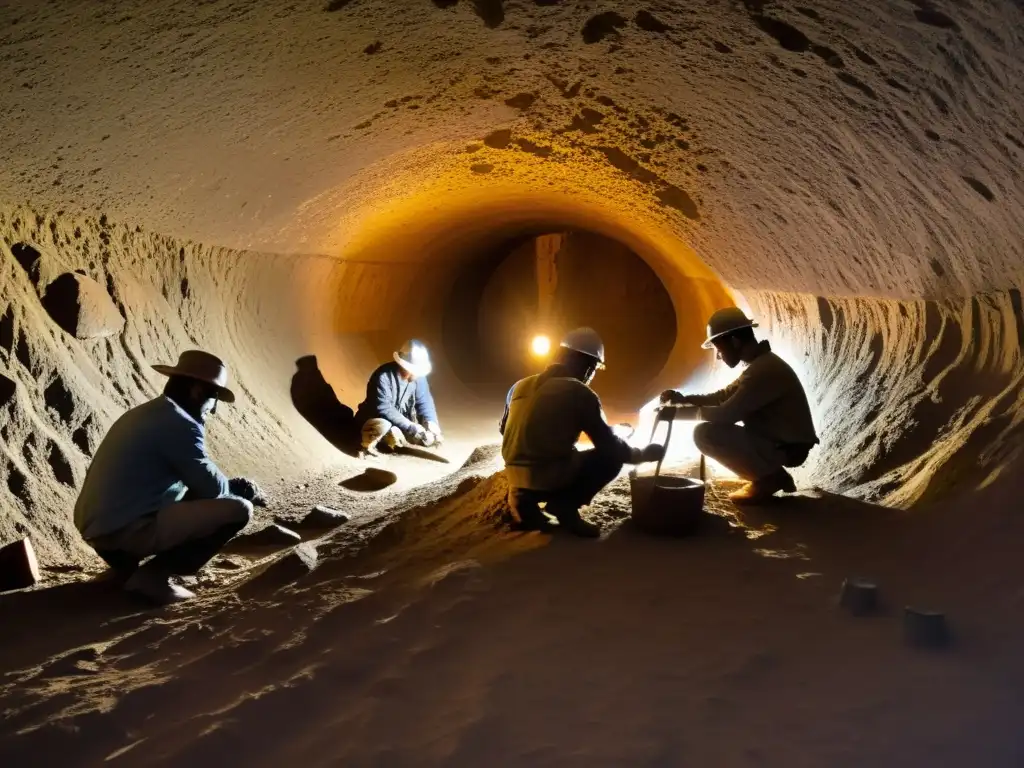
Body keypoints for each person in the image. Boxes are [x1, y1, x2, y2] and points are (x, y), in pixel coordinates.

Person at [74, 350, 257, 605]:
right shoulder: (179, 422)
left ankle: (123, 569)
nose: (213, 409)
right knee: (240, 509)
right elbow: (210, 488)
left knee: (186, 494)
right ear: (196, 390)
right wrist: (235, 488)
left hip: (98, 530)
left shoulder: (147, 413)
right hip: (123, 532)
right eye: (213, 397)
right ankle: (153, 578)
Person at [499, 327, 665, 538]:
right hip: (550, 478)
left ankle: (521, 500)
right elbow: (608, 445)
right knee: (610, 460)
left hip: (514, 478)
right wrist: (642, 455)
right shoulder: (580, 392)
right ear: (587, 366)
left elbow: (506, 430)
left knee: (544, 458)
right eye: (594, 369)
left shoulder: (518, 386)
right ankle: (565, 506)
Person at [661, 308, 818, 504]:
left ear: (734, 341)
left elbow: (727, 414)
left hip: (785, 448)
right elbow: (721, 397)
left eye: (719, 349)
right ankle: (770, 473)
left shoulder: (764, 370)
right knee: (707, 429)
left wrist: (676, 414)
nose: (718, 356)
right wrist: (682, 400)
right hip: (775, 441)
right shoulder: (759, 365)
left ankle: (769, 478)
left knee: (705, 434)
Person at [355, 340, 442, 457]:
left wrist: (432, 425)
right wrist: (412, 427)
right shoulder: (383, 376)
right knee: (384, 426)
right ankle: (365, 445)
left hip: (398, 421)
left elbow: (424, 401)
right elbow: (384, 409)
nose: (416, 376)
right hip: (375, 419)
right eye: (413, 371)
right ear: (402, 365)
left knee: (420, 437)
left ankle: (392, 439)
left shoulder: (418, 378)